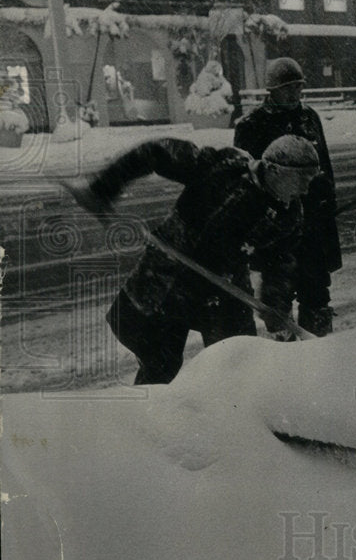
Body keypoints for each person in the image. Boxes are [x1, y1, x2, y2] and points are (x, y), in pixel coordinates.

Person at [65, 135, 321, 385]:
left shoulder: (289, 213)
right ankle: (146, 422)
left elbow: (280, 262)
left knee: (238, 364)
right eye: (301, 179)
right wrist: (103, 189)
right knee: (160, 364)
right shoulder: (225, 167)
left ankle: (233, 423)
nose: (306, 189)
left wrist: (275, 307)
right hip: (169, 277)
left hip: (225, 287)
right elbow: (157, 151)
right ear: (274, 170)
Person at [234, 57, 343, 337]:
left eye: (298, 86)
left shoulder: (309, 118)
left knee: (317, 295)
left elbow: (324, 170)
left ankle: (319, 347)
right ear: (272, 90)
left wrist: (326, 209)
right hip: (276, 231)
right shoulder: (252, 125)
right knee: (276, 299)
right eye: (288, 87)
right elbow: (248, 181)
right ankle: (282, 355)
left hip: (313, 228)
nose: (295, 93)